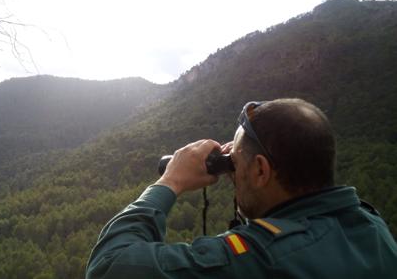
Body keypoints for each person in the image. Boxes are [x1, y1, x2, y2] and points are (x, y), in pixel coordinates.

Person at [86, 98, 397, 279]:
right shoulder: (372, 227)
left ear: (261, 169)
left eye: (233, 163)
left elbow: (108, 266)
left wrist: (170, 181)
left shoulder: (260, 258)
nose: (232, 173)